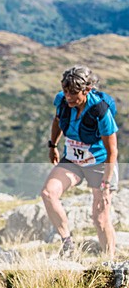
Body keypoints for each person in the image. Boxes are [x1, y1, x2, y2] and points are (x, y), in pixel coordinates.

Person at [41, 65, 119, 259]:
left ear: (87, 90)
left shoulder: (100, 110)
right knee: (48, 193)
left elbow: (112, 152)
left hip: (99, 163)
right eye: (66, 91)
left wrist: (106, 184)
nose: (68, 97)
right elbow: (57, 121)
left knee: (100, 218)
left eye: (73, 93)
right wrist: (53, 145)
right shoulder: (62, 102)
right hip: (73, 160)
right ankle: (67, 243)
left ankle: (109, 261)